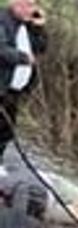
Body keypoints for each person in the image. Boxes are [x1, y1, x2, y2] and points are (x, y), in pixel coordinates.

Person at [0, 0, 45, 160]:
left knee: (6, 131)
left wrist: (38, 28)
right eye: (26, 4)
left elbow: (41, 48)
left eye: (33, 5)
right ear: (14, 3)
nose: (31, 9)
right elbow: (2, 50)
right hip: (2, 86)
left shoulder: (26, 25)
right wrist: (24, 58)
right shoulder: (2, 20)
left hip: (14, 90)